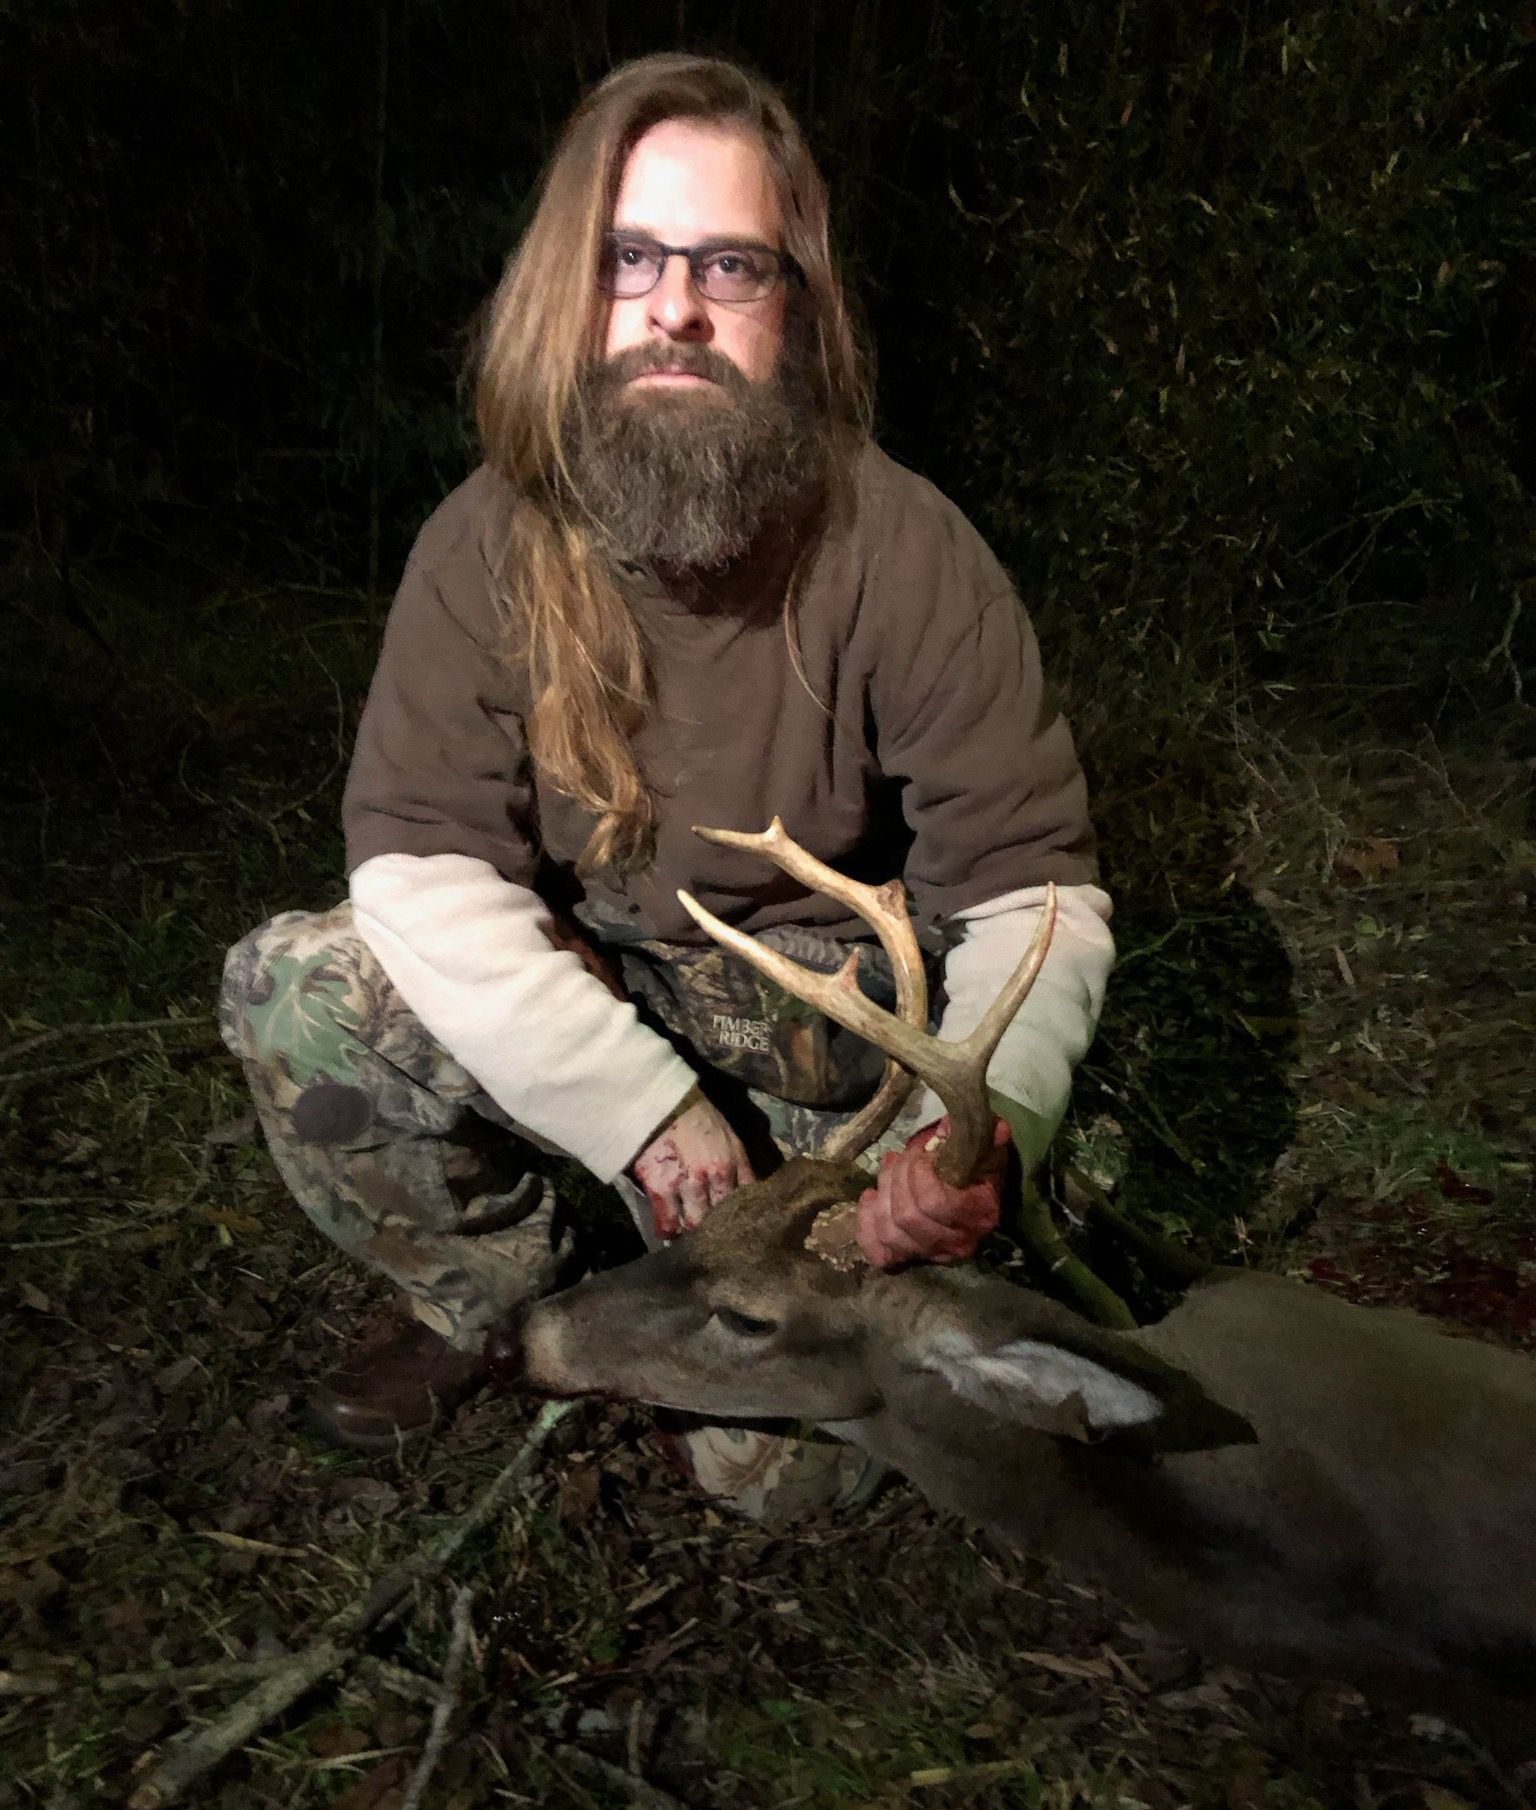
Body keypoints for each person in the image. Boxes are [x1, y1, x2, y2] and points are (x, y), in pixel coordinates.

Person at [219, 53, 1115, 1517]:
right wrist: (634, 1109)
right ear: (567, 289)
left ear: (793, 308)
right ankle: (495, 1302)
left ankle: (735, 1276)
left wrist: (974, 1134)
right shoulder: (484, 543)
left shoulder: (904, 547)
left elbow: (1034, 888)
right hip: (604, 986)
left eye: (730, 266)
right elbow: (421, 866)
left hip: (817, 1022)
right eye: (626, 257)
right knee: (298, 990)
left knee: (781, 1489)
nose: (675, 309)